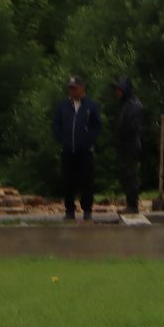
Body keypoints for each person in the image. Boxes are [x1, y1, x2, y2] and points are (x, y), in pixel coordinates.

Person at [51, 75, 102, 221]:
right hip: (68, 150)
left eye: (74, 88)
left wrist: (88, 139)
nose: (72, 91)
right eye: (70, 88)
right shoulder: (63, 106)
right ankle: (69, 210)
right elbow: (55, 124)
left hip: (85, 150)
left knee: (87, 181)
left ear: (82, 88)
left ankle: (87, 209)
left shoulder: (90, 105)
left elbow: (97, 125)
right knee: (68, 181)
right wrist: (63, 139)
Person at [110, 76, 144, 214]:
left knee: (130, 175)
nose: (116, 92)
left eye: (119, 89)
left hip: (130, 145)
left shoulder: (133, 105)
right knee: (126, 175)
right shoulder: (125, 104)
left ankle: (133, 205)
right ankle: (130, 203)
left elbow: (132, 126)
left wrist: (121, 135)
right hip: (124, 145)